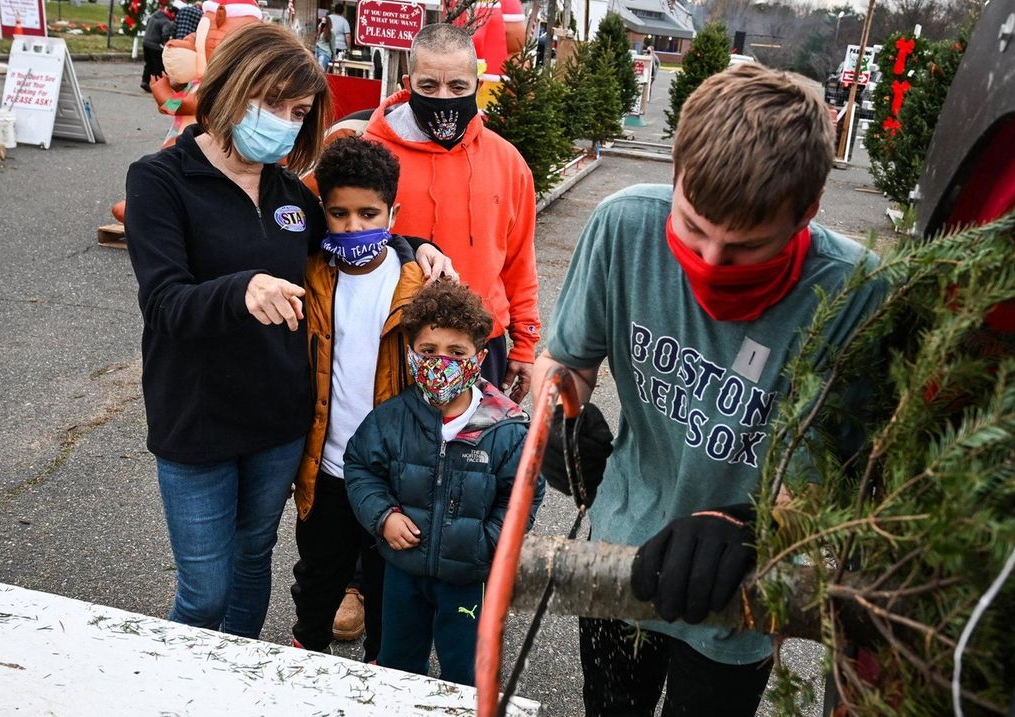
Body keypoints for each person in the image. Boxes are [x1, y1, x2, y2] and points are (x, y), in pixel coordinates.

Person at [532, 63, 887, 715]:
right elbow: (565, 358)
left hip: (741, 587)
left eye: (746, 247)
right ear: (675, 174)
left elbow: (856, 469)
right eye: (694, 229)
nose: (710, 263)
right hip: (621, 548)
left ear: (806, 212)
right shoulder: (624, 227)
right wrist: (559, 411)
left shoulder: (858, 292)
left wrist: (757, 525)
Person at [124, 24, 449, 639]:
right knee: (203, 591)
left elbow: (348, 242)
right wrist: (241, 289)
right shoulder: (159, 180)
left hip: (278, 425)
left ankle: (241, 681)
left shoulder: (287, 191)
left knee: (253, 565)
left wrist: (417, 249)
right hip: (197, 423)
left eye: (299, 113)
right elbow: (164, 302)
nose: (284, 123)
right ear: (232, 87)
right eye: (273, 103)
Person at [344, 279, 541, 685]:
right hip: (403, 572)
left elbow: (522, 495)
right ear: (411, 354)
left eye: (456, 352)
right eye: (428, 351)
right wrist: (382, 517)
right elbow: (361, 467)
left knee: (466, 672)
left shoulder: (505, 429)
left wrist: (488, 543)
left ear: (479, 357)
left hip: (471, 577)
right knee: (398, 665)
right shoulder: (390, 418)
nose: (441, 362)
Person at [289, 136, 442, 659]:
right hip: (327, 471)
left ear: (392, 212)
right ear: (322, 213)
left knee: (387, 590)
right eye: (339, 214)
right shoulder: (308, 274)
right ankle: (306, 663)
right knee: (317, 582)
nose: (354, 227)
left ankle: (382, 675)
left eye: (368, 213)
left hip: (392, 477)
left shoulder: (418, 284)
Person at [364, 23, 541, 403]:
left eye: (457, 87)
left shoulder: (507, 162)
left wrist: (525, 344)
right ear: (408, 82)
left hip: (477, 347)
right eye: (429, 87)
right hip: (391, 347)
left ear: (477, 84)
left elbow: (519, 261)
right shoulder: (369, 155)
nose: (444, 98)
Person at [141, 4, 176, 92]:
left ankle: (145, 81)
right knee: (158, 66)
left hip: (146, 42)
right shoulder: (166, 22)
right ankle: (158, 85)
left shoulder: (153, 16)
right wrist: (166, 42)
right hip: (156, 46)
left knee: (148, 64)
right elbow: (165, 34)